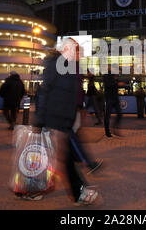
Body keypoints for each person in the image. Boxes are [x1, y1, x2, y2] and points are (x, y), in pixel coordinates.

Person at [35, 38, 98, 205]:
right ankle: (78, 193)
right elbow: (44, 92)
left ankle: (32, 188)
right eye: (74, 50)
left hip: (64, 119)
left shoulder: (71, 68)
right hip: (53, 118)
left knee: (60, 157)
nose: (78, 53)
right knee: (61, 158)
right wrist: (39, 120)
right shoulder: (56, 65)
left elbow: (74, 95)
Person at [103, 66, 124, 138]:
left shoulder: (115, 76)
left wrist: (118, 83)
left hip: (115, 98)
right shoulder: (106, 75)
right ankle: (107, 132)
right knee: (107, 115)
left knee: (120, 114)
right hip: (109, 98)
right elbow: (108, 85)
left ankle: (114, 128)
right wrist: (117, 84)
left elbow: (115, 86)